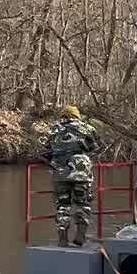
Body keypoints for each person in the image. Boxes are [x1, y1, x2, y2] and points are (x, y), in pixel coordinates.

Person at [42, 105, 102, 247]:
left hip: (60, 173)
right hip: (81, 173)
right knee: (83, 203)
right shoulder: (87, 128)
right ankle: (80, 235)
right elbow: (97, 147)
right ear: (77, 116)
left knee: (63, 206)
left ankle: (63, 237)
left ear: (63, 116)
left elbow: (45, 149)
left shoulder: (54, 130)